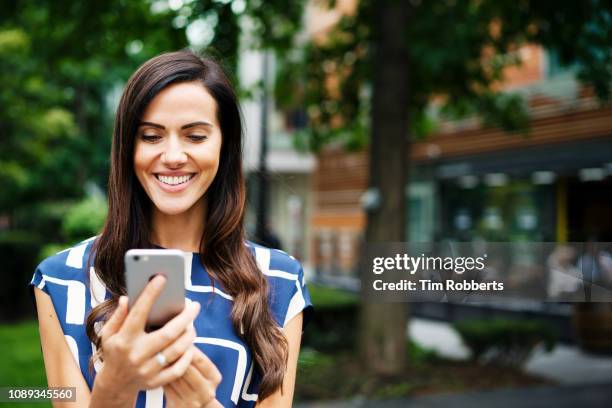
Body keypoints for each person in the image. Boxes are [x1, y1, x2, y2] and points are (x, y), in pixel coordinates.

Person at [28, 50, 313, 407]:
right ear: (128, 148)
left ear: (224, 147)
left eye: (195, 136)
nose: (173, 155)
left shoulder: (279, 280)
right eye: (151, 136)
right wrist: (115, 387)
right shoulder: (60, 281)